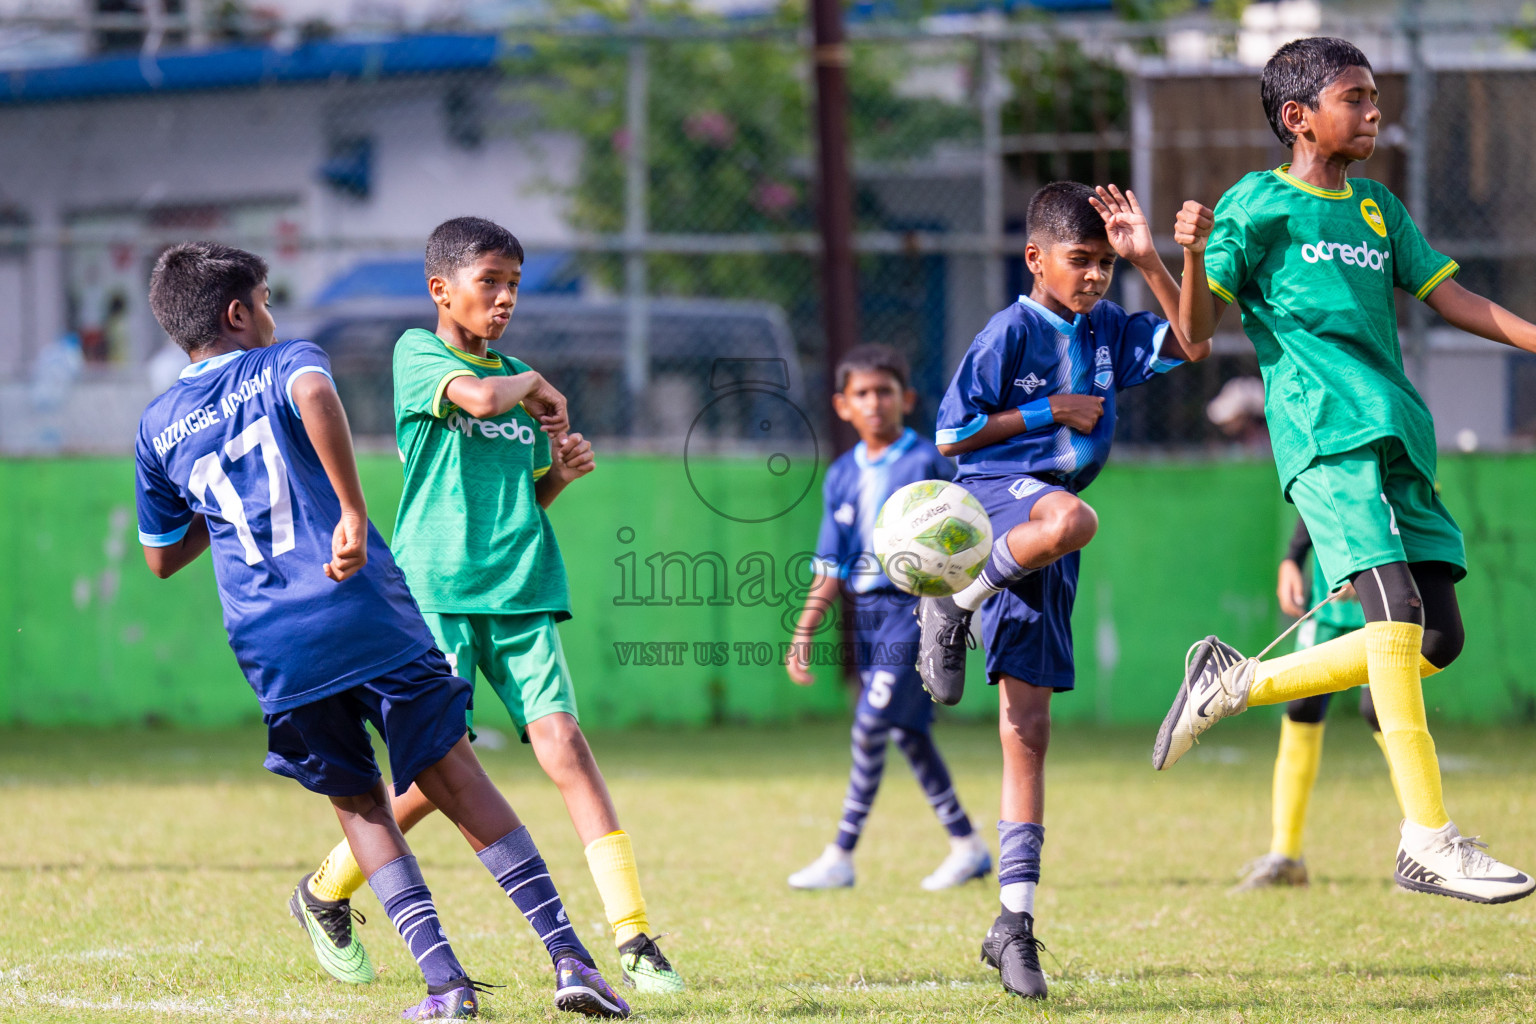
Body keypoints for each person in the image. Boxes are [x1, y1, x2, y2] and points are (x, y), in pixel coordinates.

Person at [135, 242, 629, 1020]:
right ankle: (571, 958)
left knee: (361, 807)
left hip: (270, 638)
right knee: (458, 777)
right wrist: (353, 510)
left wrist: (221, 506)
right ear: (238, 313)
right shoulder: (284, 359)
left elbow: (161, 558)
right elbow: (315, 397)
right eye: (263, 301)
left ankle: (445, 987)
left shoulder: (156, 426)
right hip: (359, 606)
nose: (271, 315)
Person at [1160, 35, 1535, 905]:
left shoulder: (1377, 210)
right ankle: (1428, 840)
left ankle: (1237, 681)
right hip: (1326, 439)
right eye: (1356, 98)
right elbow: (1194, 332)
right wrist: (1185, 252)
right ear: (1298, 118)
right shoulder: (1257, 204)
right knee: (1394, 617)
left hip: (1403, 436)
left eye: (1375, 98)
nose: (1374, 112)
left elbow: (1454, 298)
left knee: (1437, 639)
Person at [289, 217, 683, 996]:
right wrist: (531, 387)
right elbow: (472, 399)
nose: (504, 300)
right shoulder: (419, 355)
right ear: (441, 290)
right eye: (489, 283)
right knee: (438, 776)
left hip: (524, 589)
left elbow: (522, 495)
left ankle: (634, 936)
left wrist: (561, 474)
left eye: (514, 286)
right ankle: (326, 889)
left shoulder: (521, 378)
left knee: (565, 745)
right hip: (436, 595)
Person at [915, 182, 1211, 999]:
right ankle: (954, 598)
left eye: (1105, 264)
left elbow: (1192, 342)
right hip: (1003, 503)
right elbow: (950, 433)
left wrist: (1159, 257)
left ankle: (1013, 923)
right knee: (1074, 519)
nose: (1094, 277)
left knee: (1029, 729)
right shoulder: (1008, 331)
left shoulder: (1111, 325)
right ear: (1036, 257)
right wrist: (1048, 410)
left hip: (1034, 546)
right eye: (1081, 261)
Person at [782, 343, 990, 892]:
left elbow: (967, 537)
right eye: (862, 394)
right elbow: (832, 562)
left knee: (871, 724)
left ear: (906, 399)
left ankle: (841, 854)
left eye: (884, 392)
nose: (874, 403)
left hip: (917, 608)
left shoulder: (927, 463)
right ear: (843, 405)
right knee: (907, 733)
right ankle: (967, 845)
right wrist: (805, 629)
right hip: (869, 613)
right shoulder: (842, 475)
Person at [1235, 518, 1402, 890]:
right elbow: (1320, 492)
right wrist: (1292, 557)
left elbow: (1409, 511)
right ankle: (1286, 857)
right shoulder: (1326, 461)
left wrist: (1381, 575)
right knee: (1300, 710)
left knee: (1381, 710)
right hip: (1328, 606)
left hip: (1385, 603)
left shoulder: (1401, 458)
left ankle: (1426, 851)